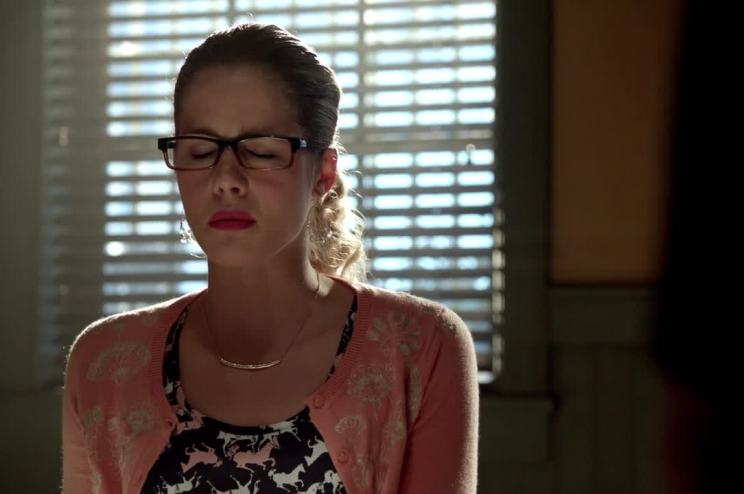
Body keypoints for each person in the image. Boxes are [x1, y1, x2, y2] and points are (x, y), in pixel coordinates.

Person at [61, 23, 479, 494]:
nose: (226, 179)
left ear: (323, 175)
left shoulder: (419, 346)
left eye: (261, 151)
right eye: (200, 150)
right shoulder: (105, 363)